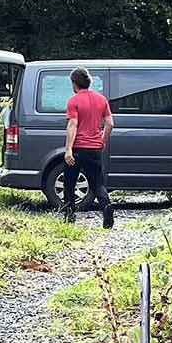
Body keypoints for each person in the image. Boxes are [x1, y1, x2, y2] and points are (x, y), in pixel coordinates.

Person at [62, 66, 115, 228]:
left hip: (78, 148)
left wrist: (68, 149)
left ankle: (69, 216)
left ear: (74, 83)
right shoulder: (101, 99)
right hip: (94, 149)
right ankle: (106, 206)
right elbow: (110, 123)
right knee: (97, 183)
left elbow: (72, 125)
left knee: (69, 183)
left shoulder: (74, 100)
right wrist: (102, 141)